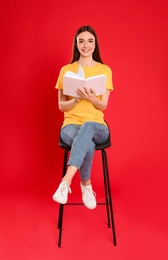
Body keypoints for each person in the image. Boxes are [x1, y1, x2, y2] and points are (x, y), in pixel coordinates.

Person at [52, 25, 113, 210]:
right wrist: (76, 100)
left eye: (90, 41)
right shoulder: (66, 70)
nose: (85, 45)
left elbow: (103, 105)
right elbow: (61, 106)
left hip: (97, 126)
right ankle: (86, 184)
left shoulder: (105, 70)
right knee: (86, 141)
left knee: (88, 127)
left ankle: (66, 181)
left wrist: (91, 98)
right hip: (70, 125)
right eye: (81, 41)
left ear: (95, 44)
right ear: (76, 45)